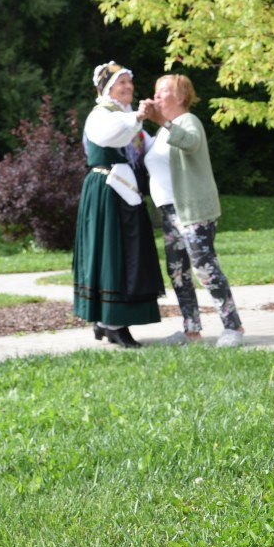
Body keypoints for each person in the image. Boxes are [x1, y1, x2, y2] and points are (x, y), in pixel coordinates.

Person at [139, 75, 244, 347]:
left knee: (205, 268)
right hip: (170, 213)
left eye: (164, 92)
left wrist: (160, 120)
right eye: (156, 92)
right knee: (177, 272)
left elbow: (191, 142)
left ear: (181, 97)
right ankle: (191, 330)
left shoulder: (188, 121)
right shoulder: (163, 131)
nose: (158, 97)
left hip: (193, 210)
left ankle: (233, 327)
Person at [73, 61, 164, 348]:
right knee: (114, 253)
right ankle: (114, 324)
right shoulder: (102, 114)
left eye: (128, 82)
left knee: (123, 252)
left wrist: (171, 127)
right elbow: (111, 135)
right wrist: (138, 116)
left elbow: (151, 148)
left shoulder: (126, 116)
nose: (127, 87)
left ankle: (105, 322)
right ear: (106, 88)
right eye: (120, 83)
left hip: (124, 190)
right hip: (107, 189)